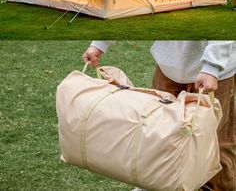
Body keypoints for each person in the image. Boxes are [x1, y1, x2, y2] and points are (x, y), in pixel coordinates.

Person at [83, 41, 236, 191]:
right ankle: (158, 184)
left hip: (216, 74)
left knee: (213, 140)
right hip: (168, 67)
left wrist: (212, 67)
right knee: (159, 133)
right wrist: (99, 44)